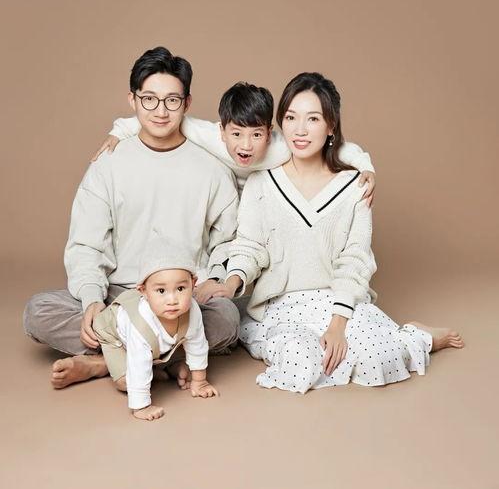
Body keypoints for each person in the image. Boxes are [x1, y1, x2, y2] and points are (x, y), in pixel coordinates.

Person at [221, 72, 464, 393]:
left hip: (337, 300)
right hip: (280, 305)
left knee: (379, 359)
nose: (300, 130)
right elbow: (249, 247)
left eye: (313, 118)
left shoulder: (355, 186)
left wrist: (338, 325)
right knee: (299, 364)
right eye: (291, 118)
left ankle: (420, 336)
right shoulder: (261, 183)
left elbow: (355, 259)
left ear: (331, 126)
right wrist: (231, 283)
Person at [23, 47, 240, 389]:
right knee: (38, 311)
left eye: (171, 100)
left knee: (227, 318)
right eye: (149, 99)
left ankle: (106, 362)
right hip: (119, 296)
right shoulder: (108, 164)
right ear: (133, 100)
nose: (160, 111)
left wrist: (212, 280)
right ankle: (163, 359)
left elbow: (227, 241)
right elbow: (86, 244)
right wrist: (92, 300)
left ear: (186, 103)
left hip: (180, 298)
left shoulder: (212, 169)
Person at [94, 81, 377, 205]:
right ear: (222, 131)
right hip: (224, 200)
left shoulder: (282, 146)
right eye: (237, 134)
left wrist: (365, 166)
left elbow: (335, 146)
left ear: (270, 132)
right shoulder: (210, 136)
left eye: (256, 135)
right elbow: (168, 119)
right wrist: (120, 131)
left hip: (262, 202)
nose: (246, 146)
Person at [93, 237, 217, 421]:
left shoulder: (192, 311)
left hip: (155, 345)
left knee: (210, 323)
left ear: (193, 283)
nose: (172, 300)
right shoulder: (141, 323)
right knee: (126, 381)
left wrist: (200, 382)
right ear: (143, 291)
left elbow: (198, 344)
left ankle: (164, 367)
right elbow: (137, 363)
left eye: (180, 288)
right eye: (161, 291)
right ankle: (155, 368)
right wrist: (141, 406)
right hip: (112, 334)